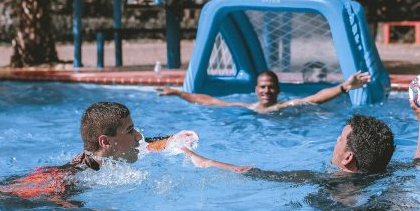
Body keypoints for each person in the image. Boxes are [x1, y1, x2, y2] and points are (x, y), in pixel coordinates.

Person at [182, 91, 420, 176]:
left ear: (348, 158)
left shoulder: (327, 183)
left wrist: (204, 160)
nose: (335, 141)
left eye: (340, 139)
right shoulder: (386, 172)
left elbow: (254, 173)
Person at [0, 101, 197, 205]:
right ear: (105, 142)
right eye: (129, 131)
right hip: (10, 199)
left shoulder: (106, 157)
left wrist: (172, 139)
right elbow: (55, 202)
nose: (138, 136)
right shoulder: (76, 176)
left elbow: (147, 143)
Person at [156, 70, 371, 113]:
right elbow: (208, 101)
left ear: (277, 90)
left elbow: (314, 98)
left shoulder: (286, 106)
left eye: (270, 87)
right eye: (262, 87)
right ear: (256, 90)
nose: (266, 90)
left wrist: (344, 86)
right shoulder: (247, 107)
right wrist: (177, 93)